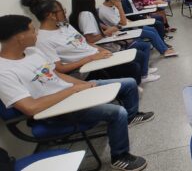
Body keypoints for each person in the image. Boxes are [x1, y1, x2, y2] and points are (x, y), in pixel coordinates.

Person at [0, 15, 154, 171]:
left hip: (70, 92)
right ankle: (119, 156)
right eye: (33, 30)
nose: (37, 33)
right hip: (54, 111)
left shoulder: (32, 52)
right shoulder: (4, 71)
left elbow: (56, 75)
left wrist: (84, 84)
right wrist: (73, 90)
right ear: (20, 36)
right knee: (117, 112)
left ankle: (132, 116)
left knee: (128, 83)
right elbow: (30, 108)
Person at [20, 0, 150, 84]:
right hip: (87, 69)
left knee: (135, 61)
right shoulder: (43, 40)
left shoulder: (65, 25)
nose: (65, 12)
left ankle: (129, 89)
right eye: (62, 10)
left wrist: (101, 50)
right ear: (51, 15)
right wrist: (91, 58)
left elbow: (85, 42)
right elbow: (59, 69)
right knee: (133, 68)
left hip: (98, 58)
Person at [68, 0, 154, 85]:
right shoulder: (86, 15)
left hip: (108, 42)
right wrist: (106, 32)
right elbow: (90, 39)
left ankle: (144, 72)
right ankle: (143, 75)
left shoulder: (79, 15)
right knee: (140, 53)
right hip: (105, 46)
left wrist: (107, 31)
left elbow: (101, 28)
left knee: (144, 43)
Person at [98, 0, 178, 58]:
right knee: (151, 34)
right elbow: (123, 23)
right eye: (119, 0)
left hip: (128, 26)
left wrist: (128, 20)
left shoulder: (111, 6)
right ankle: (164, 51)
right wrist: (120, 7)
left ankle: (164, 48)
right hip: (122, 32)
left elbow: (124, 19)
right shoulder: (104, 11)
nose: (120, 1)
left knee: (152, 29)